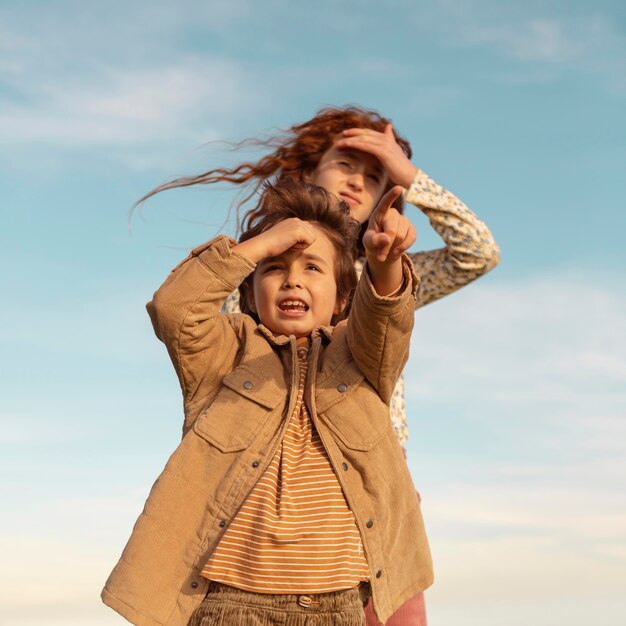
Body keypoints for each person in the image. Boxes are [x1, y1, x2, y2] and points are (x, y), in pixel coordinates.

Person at [135, 106, 501, 625]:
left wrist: (408, 178)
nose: (358, 179)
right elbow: (186, 321)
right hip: (261, 491)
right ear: (306, 173)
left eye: (375, 175)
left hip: (372, 485)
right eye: (345, 163)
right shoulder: (255, 284)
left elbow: (476, 254)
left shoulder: (384, 277)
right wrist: (264, 248)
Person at [102, 179, 432, 625]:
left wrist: (384, 262)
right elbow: (174, 309)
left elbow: (387, 318)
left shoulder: (359, 357)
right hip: (228, 605)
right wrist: (258, 245)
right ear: (250, 292)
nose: (292, 277)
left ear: (342, 299)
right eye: (274, 267)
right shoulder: (226, 351)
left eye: (312, 268)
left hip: (338, 606)